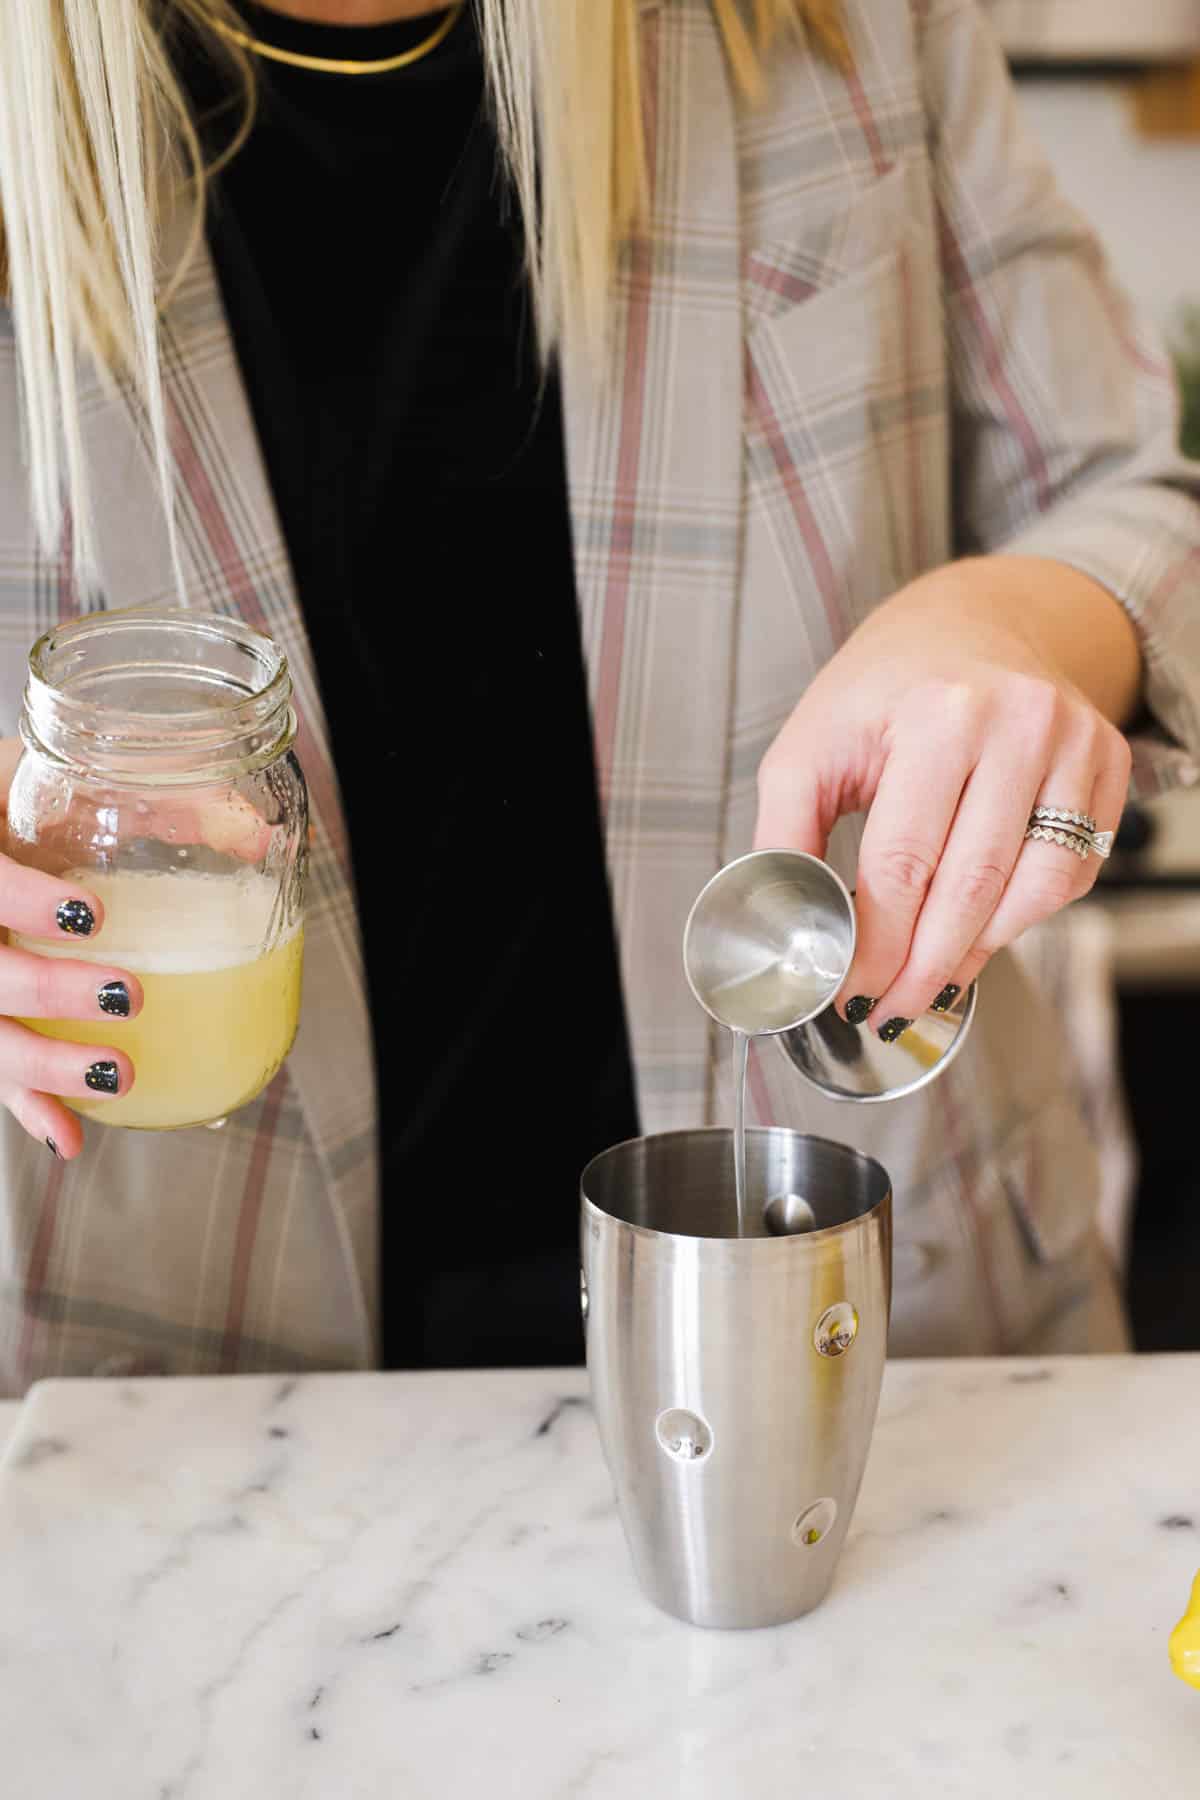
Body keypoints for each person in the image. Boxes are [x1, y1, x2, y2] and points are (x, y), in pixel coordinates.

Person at [0, 0, 1196, 1393]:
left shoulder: (840, 21)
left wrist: (1016, 621)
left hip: (868, 1324)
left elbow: (1144, 504)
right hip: (152, 1368)